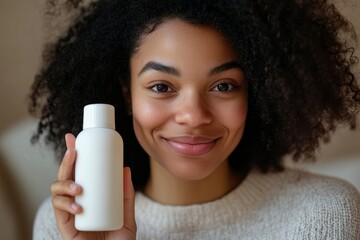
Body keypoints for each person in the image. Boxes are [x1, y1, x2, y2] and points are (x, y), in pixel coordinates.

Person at [30, 0, 360, 239]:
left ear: (258, 91)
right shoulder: (63, 225)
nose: (193, 116)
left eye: (224, 85)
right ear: (127, 94)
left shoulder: (322, 215)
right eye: (161, 86)